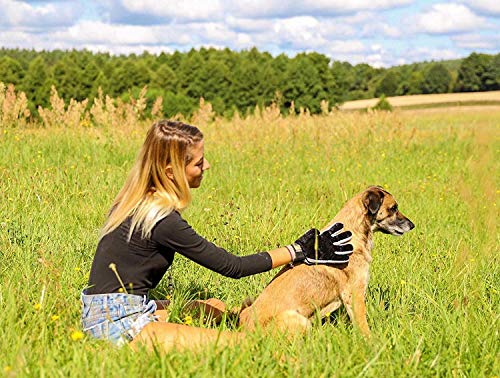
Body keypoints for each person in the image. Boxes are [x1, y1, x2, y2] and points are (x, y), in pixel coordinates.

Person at [81, 119, 354, 352]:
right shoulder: (162, 220)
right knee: (242, 344)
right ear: (171, 172)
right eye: (199, 163)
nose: (207, 166)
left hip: (110, 310)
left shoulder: (133, 201)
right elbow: (232, 267)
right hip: (118, 324)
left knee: (211, 307)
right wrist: (299, 250)